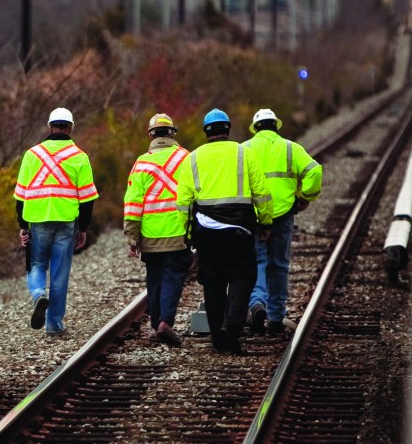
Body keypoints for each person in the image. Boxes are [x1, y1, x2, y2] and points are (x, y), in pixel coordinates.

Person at [176, 108, 274, 354]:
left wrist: (187, 234)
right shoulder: (244, 153)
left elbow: (183, 201)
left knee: (212, 281)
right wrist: (265, 222)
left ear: (206, 131)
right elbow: (261, 192)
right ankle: (231, 328)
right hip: (239, 229)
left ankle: (218, 338)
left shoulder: (193, 158)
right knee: (243, 277)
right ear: (228, 129)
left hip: (205, 231)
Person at [14, 107, 98, 337]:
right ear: (70, 127)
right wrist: (83, 228)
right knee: (60, 273)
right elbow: (87, 199)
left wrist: (23, 226)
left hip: (38, 219)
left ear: (50, 127)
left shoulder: (32, 155)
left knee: (37, 264)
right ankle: (54, 325)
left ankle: (39, 294)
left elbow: (20, 196)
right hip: (66, 221)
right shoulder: (80, 156)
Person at [244, 108, 322, 334]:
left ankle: (257, 303)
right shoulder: (291, 148)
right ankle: (276, 317)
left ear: (255, 128)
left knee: (256, 262)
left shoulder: (244, 149)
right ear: (276, 126)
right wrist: (306, 198)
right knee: (278, 265)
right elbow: (314, 172)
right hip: (283, 214)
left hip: (254, 215)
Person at [123, 113, 193, 346]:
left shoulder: (141, 163)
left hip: (150, 235)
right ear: (173, 133)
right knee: (173, 276)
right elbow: (196, 195)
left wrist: (132, 236)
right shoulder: (185, 158)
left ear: (151, 135)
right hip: (178, 232)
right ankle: (165, 322)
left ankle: (156, 324)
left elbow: (133, 202)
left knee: (154, 278)